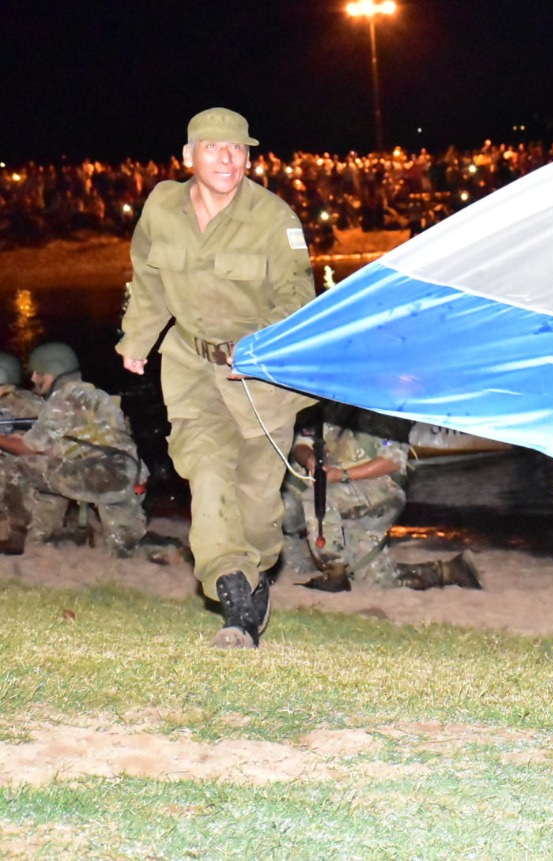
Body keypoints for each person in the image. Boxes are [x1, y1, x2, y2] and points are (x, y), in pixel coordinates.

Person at [118, 107, 316, 649]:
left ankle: (253, 573)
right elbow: (149, 276)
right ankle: (231, 590)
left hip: (260, 377)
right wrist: (138, 338)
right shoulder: (162, 206)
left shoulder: (275, 219)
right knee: (205, 473)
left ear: (249, 158)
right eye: (213, 148)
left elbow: (298, 300)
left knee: (257, 507)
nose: (227, 159)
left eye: (237, 150)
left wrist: (257, 347)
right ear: (189, 156)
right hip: (190, 367)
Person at [280, 402, 481, 592]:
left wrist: (343, 475)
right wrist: (310, 460)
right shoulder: (327, 405)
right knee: (285, 499)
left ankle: (334, 574)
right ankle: (295, 561)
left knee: (319, 497)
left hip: (378, 489)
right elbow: (302, 443)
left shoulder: (383, 408)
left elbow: (392, 461)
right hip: (335, 485)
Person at [0, 342, 148, 555]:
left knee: (20, 467)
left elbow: (27, 449)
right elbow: (83, 443)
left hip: (101, 475)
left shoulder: (64, 397)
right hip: (130, 476)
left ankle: (16, 536)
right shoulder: (96, 395)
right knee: (125, 548)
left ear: (54, 371)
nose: (33, 379)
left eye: (38, 373)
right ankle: (166, 552)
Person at [0, 351, 44, 553]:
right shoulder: (26, 400)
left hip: (22, 473)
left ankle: (17, 531)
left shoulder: (25, 403)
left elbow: (27, 446)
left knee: (14, 467)